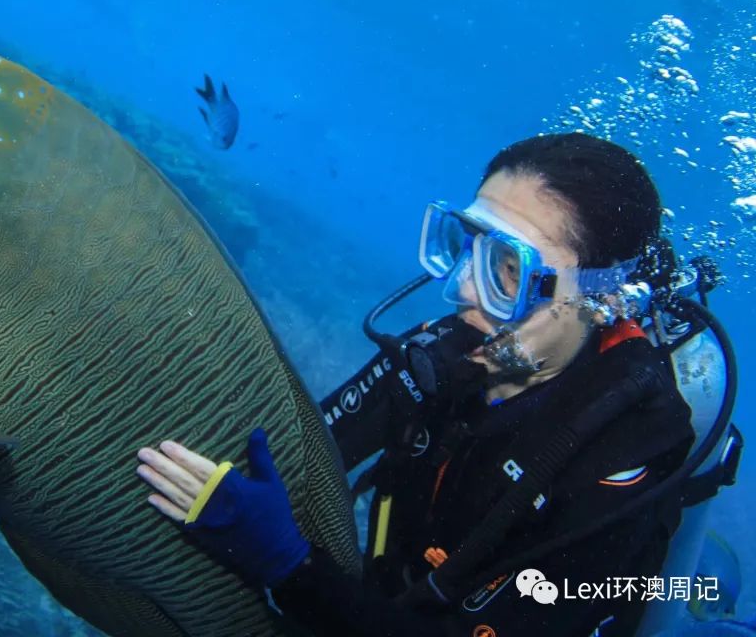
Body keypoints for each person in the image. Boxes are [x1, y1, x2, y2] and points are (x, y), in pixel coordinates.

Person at [135, 133, 699, 637]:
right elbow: (302, 448)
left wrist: (289, 567)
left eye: (508, 271)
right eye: (464, 245)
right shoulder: (441, 355)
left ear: (603, 300)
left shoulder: (627, 451)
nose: (460, 290)